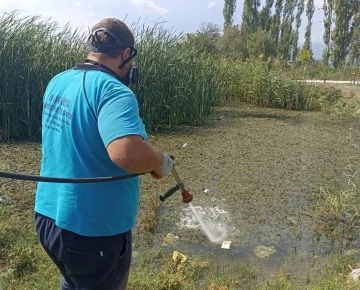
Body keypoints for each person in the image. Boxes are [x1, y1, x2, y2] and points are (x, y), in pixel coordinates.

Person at [34, 18, 174, 290]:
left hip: (48, 217)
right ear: (125, 54)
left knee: (74, 281)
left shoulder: (59, 81)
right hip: (91, 229)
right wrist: (161, 160)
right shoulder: (114, 91)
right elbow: (127, 153)